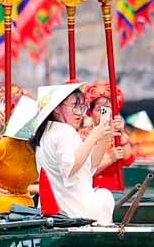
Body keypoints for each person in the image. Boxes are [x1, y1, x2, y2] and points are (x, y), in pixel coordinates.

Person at [28, 83, 118, 223]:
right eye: (74, 106)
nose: (79, 113)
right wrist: (94, 135)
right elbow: (69, 168)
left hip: (55, 212)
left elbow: (91, 164)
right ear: (57, 108)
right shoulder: (64, 132)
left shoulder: (48, 132)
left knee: (102, 195)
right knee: (104, 196)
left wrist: (103, 133)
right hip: (76, 212)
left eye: (81, 107)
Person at [83, 82, 135, 192]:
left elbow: (128, 160)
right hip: (91, 191)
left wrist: (121, 133)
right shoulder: (84, 135)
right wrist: (111, 158)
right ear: (90, 112)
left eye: (107, 109)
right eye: (99, 109)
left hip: (114, 191)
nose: (104, 113)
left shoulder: (116, 133)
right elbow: (85, 170)